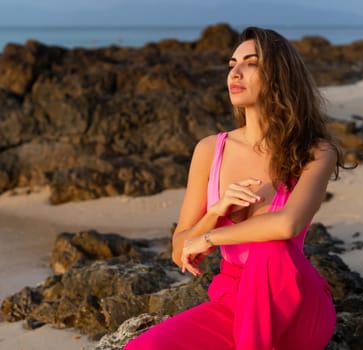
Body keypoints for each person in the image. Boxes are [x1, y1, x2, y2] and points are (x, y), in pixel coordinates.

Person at [125, 26, 345, 350]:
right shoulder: (209, 150)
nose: (235, 72)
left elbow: (287, 224)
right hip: (235, 301)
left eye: (251, 63)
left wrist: (210, 237)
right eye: (232, 64)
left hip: (296, 304)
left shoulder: (314, 152)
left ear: (279, 75)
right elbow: (180, 249)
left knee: (271, 248)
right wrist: (215, 212)